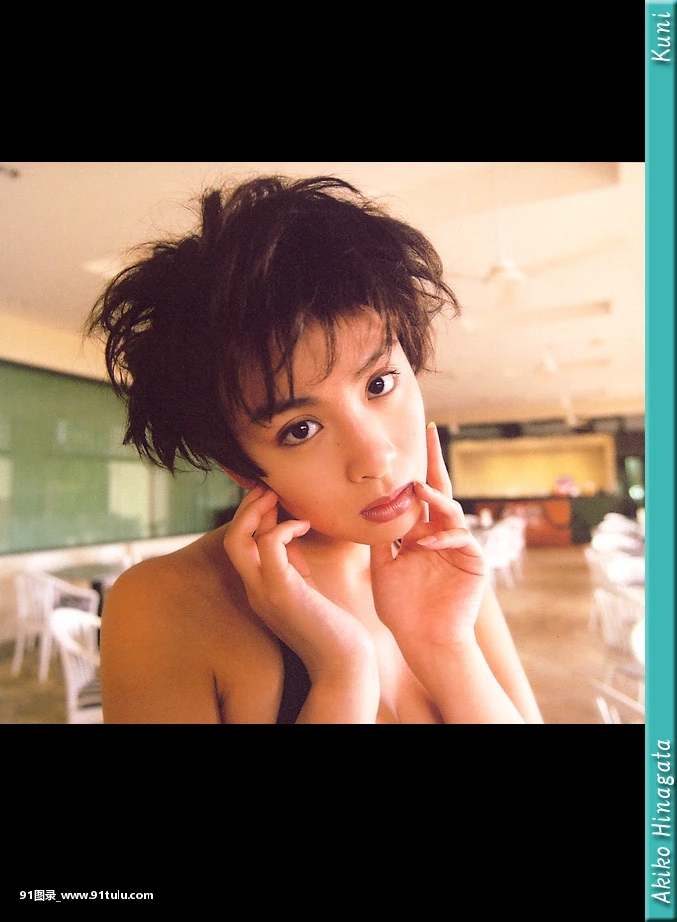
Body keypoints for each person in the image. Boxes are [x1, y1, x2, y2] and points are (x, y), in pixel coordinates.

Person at [87, 174, 543, 724]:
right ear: (242, 468)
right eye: (300, 429)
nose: (375, 459)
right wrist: (341, 672)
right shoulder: (167, 605)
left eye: (379, 384)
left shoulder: (438, 560)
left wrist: (445, 648)